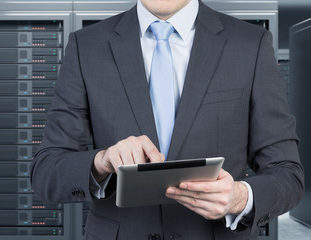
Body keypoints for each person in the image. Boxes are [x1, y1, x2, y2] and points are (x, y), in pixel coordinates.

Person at [30, 0, 305, 239]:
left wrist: (239, 198)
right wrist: (102, 161)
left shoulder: (250, 44)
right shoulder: (86, 46)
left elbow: (288, 174)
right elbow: (46, 172)